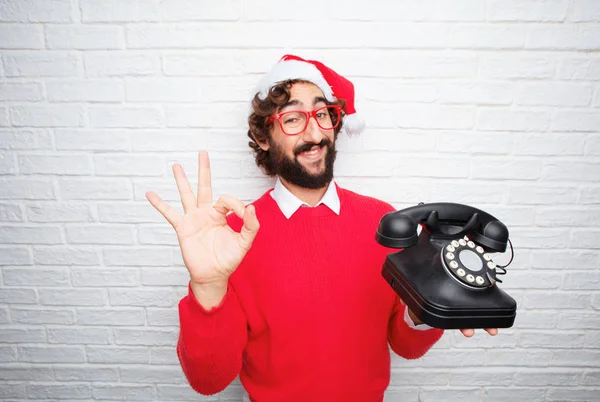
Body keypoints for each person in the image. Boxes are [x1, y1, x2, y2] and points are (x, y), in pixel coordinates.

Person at [146, 55, 498, 402]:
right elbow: (209, 381)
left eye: (322, 114)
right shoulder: (232, 235)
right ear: (264, 136)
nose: (314, 133)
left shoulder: (384, 222)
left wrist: (432, 302)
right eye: (294, 118)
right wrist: (208, 287)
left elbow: (405, 346)